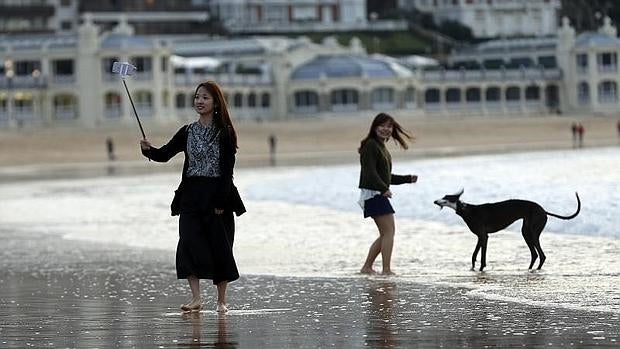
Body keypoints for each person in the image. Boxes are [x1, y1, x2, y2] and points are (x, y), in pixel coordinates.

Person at [140, 81, 246, 313]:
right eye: (197, 97)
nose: (199, 101)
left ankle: (221, 301)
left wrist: (220, 202)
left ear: (216, 102)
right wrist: (148, 150)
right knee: (188, 243)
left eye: (205, 98)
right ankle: (196, 298)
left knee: (221, 247)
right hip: (190, 196)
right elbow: (165, 154)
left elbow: (228, 170)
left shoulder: (224, 132)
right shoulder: (187, 131)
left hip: (218, 195)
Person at [358, 113, 418, 275]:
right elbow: (370, 173)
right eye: (382, 126)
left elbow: (385, 177)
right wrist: (383, 189)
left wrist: (407, 179)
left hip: (376, 193)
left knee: (386, 233)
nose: (386, 129)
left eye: (389, 126)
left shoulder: (381, 147)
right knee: (389, 233)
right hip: (374, 194)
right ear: (375, 127)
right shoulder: (371, 145)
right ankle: (386, 270)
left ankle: (367, 267)